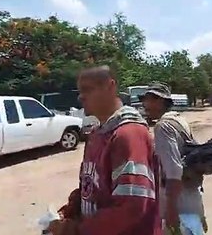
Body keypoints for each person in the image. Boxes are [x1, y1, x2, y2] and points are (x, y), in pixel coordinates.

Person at [50, 66, 162, 235]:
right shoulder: (96, 134)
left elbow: (133, 206)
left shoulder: (129, 133)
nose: (81, 97)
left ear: (110, 87)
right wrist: (69, 211)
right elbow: (89, 187)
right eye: (80, 91)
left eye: (87, 89)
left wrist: (74, 230)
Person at [139, 82, 208, 235]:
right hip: (192, 193)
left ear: (161, 101)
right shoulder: (178, 120)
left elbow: (174, 170)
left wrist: (171, 209)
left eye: (149, 99)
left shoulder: (162, 126)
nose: (144, 104)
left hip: (179, 200)